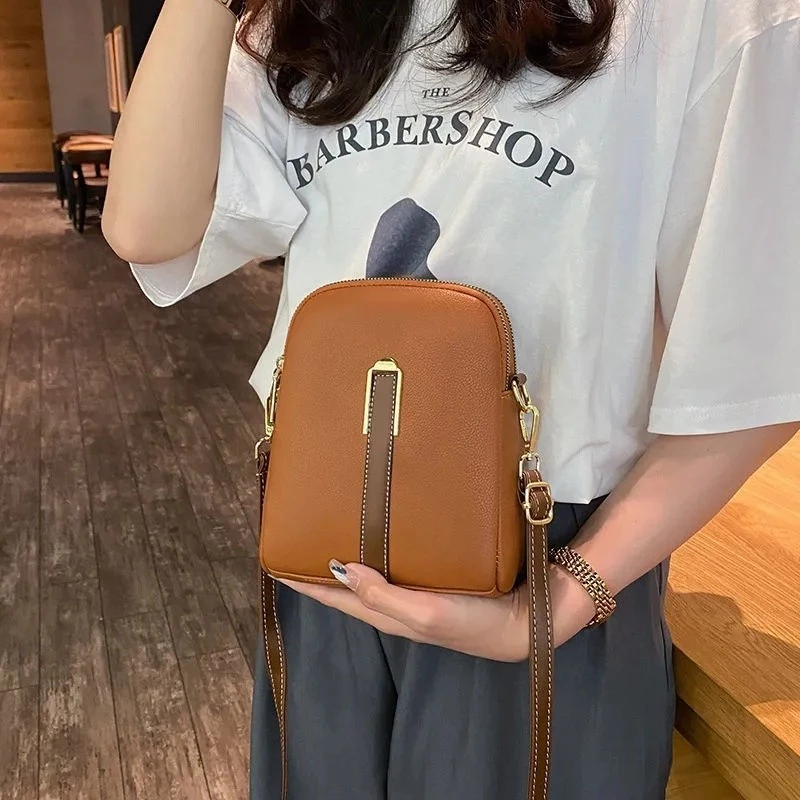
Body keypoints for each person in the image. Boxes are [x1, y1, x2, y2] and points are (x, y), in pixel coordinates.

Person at [102, 0, 800, 797]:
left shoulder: (704, 17)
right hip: (323, 554)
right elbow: (147, 226)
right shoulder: (310, 16)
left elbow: (759, 361)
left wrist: (563, 598)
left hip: (544, 558)